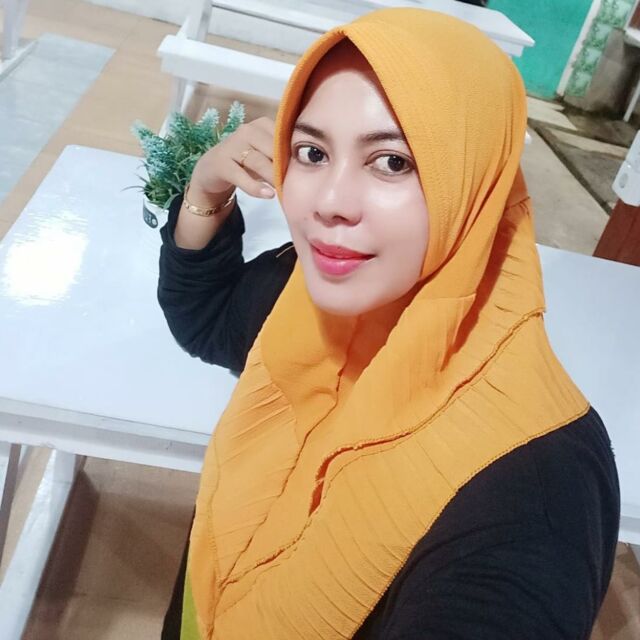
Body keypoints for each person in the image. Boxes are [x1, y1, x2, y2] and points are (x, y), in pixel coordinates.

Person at [157, 8, 620, 639]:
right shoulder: (308, 305)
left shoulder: (537, 486)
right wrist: (206, 190)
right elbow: (207, 318)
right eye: (312, 152)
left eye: (393, 162)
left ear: (473, 180)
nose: (329, 203)